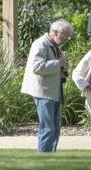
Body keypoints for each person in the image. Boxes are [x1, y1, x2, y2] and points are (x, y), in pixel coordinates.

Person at [21, 20, 74, 153]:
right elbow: (37, 67)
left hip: (53, 91)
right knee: (48, 127)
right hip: (43, 92)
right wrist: (58, 63)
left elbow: (56, 65)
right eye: (64, 37)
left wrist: (63, 67)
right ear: (54, 33)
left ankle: (51, 156)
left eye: (68, 37)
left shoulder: (54, 45)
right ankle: (44, 156)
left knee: (55, 127)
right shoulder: (40, 44)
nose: (66, 40)